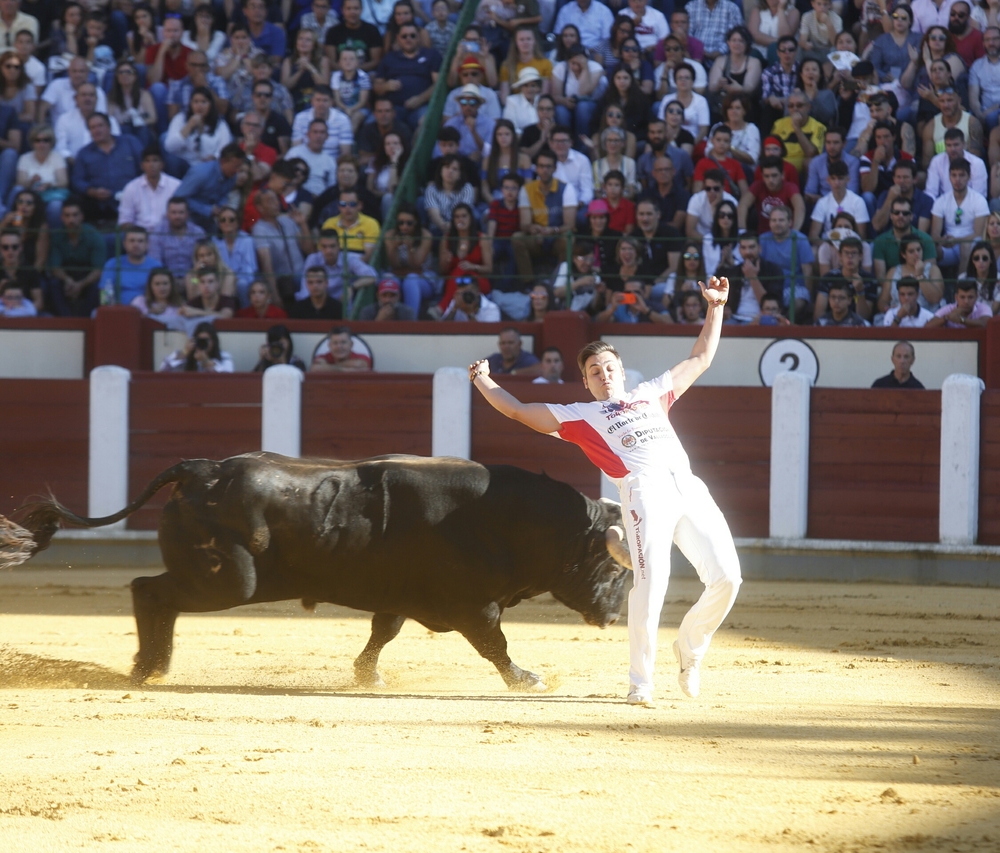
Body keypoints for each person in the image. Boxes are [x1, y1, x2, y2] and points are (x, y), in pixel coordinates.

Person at [468, 281, 741, 706]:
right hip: (644, 494)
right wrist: (483, 381)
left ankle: (690, 649)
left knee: (728, 578)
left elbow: (701, 357)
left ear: (621, 370)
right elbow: (519, 411)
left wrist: (717, 307)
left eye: (609, 367)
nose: (604, 374)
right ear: (586, 382)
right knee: (651, 584)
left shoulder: (652, 392)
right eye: (595, 371)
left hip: (689, 487)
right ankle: (641, 683)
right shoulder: (580, 416)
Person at [514, 148, 577, 276]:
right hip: (537, 237)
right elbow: (524, 224)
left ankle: (561, 279)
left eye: (548, 166)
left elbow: (570, 225)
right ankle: (528, 281)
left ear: (555, 168)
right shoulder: (526, 190)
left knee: (569, 239)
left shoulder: (566, 188)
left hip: (557, 235)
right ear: (536, 168)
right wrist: (534, 229)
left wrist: (553, 231)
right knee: (517, 238)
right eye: (541, 166)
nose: (545, 170)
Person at [372, 21, 440, 129]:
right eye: (404, 36)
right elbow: (376, 87)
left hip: (422, 106)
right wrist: (385, 86)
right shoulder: (389, 58)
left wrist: (420, 99)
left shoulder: (431, 55)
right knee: (372, 122)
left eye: (412, 36)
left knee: (425, 122)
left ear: (418, 37)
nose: (408, 39)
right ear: (398, 38)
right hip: (393, 108)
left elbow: (438, 85)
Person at [47, 198, 105, 317]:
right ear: (61, 218)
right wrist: (68, 280)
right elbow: (55, 267)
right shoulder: (57, 236)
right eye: (67, 216)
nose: (71, 220)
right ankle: (65, 320)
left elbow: (98, 270)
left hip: (87, 275)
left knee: (97, 286)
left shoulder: (94, 236)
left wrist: (81, 284)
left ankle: (84, 322)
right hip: (66, 274)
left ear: (82, 216)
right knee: (53, 283)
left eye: (75, 215)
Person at [930, 157, 989, 273]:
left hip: (972, 246)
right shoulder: (941, 201)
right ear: (949, 177)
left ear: (969, 177)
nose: (957, 179)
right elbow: (935, 234)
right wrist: (942, 240)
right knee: (931, 248)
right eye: (954, 175)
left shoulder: (979, 200)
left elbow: (978, 233)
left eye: (962, 175)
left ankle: (961, 284)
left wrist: (957, 240)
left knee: (965, 246)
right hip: (949, 245)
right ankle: (933, 284)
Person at [170, 143, 248, 230]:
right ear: (223, 161)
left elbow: (225, 194)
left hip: (208, 219)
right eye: (235, 166)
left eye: (239, 167)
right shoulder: (201, 173)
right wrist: (208, 209)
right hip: (188, 219)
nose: (238, 171)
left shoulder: (232, 176)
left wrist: (222, 205)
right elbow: (178, 198)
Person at [716, 231, 785, 324]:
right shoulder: (734, 271)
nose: (747, 252)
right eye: (743, 248)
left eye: (752, 247)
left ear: (759, 248)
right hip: (735, 318)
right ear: (739, 250)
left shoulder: (773, 270)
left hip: (762, 318)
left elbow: (770, 304)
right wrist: (725, 310)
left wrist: (752, 277)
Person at [759, 205, 814, 319]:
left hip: (794, 286)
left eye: (781, 220)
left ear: (790, 222)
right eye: (773, 220)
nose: (777, 223)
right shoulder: (763, 239)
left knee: (799, 302)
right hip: (770, 286)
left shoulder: (800, 239)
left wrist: (809, 297)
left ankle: (784, 325)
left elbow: (807, 271)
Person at [813, 237, 878, 323]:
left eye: (854, 253)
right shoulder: (828, 278)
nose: (850, 257)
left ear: (861, 256)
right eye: (846, 253)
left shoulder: (869, 280)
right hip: (830, 324)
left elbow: (864, 317)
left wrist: (860, 292)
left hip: (858, 328)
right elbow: (819, 313)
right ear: (840, 256)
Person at [15, 125, 68, 229]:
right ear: (32, 142)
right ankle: (15, 229)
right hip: (30, 195)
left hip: (50, 195)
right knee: (18, 193)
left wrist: (49, 184)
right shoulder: (24, 158)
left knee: (56, 206)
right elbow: (20, 182)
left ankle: (54, 236)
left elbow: (64, 182)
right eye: (37, 140)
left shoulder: (57, 157)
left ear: (51, 142)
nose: (41, 144)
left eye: (46, 140)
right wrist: (31, 181)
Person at [738, 157, 806, 234]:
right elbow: (743, 205)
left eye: (774, 175)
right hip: (763, 237)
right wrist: (742, 231)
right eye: (766, 176)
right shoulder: (757, 186)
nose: (770, 180)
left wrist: (795, 232)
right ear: (762, 176)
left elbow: (800, 208)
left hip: (785, 236)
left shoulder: (790, 187)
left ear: (782, 175)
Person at [880, 234, 945, 314]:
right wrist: (888, 309)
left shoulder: (933, 270)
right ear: (903, 254)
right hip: (899, 316)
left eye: (918, 250)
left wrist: (920, 276)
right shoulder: (893, 272)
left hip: (928, 317)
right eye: (911, 251)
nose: (916, 254)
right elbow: (882, 301)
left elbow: (936, 299)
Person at [99, 225, 161, 306]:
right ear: (124, 244)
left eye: (140, 241)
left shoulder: (156, 266)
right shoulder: (112, 264)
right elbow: (104, 294)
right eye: (132, 241)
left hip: (148, 311)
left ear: (147, 244)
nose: (136, 245)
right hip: (119, 311)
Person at [809, 160, 871, 241]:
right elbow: (813, 235)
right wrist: (828, 247)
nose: (837, 183)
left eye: (840, 178)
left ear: (847, 179)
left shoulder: (858, 202)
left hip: (851, 245)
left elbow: (861, 236)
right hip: (829, 243)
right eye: (833, 178)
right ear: (828, 180)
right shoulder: (822, 202)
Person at [289, 85, 353, 161]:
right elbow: (296, 148)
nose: (321, 104)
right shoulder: (300, 118)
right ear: (312, 101)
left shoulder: (343, 120)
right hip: (305, 164)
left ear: (331, 102)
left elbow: (345, 153)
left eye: (325, 100)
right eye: (318, 100)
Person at [148, 197, 206, 278]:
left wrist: (189, 281)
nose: (177, 216)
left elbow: (203, 262)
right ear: (167, 214)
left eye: (181, 212)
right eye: (173, 212)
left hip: (193, 279)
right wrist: (171, 282)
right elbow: (155, 264)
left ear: (187, 214)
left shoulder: (198, 232)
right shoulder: (157, 234)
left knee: (199, 282)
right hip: (166, 282)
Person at [320, 187, 380, 262]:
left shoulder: (371, 223)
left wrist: (347, 265)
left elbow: (368, 256)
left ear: (360, 205)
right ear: (338, 206)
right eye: (343, 204)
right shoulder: (329, 223)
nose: (347, 208)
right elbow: (322, 252)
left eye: (352, 204)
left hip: (359, 266)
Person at [324, 0, 384, 73]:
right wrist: (347, 71)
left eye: (356, 8)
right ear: (342, 10)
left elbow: (376, 61)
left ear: (361, 10)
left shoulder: (372, 30)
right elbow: (331, 61)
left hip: (365, 73)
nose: (352, 12)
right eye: (348, 8)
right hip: (339, 73)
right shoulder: (333, 32)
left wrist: (354, 70)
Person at [159, 321, 234, 372]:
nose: (203, 343)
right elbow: (164, 370)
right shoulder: (184, 355)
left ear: (213, 341)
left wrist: (206, 361)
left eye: (206, 340)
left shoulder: (224, 356)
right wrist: (185, 352)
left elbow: (227, 378)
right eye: (200, 340)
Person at [686, 170, 737, 238]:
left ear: (723, 188)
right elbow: (690, 231)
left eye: (716, 188)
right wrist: (709, 244)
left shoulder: (732, 201)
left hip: (723, 240)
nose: (712, 192)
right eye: (708, 188)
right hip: (701, 239)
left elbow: (734, 229)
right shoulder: (696, 200)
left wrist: (715, 207)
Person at [927, 278, 995, 326]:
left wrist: (961, 320)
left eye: (970, 297)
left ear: (976, 296)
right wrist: (947, 318)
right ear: (956, 297)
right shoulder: (949, 309)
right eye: (962, 297)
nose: (966, 301)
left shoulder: (984, 308)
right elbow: (927, 326)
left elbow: (986, 324)